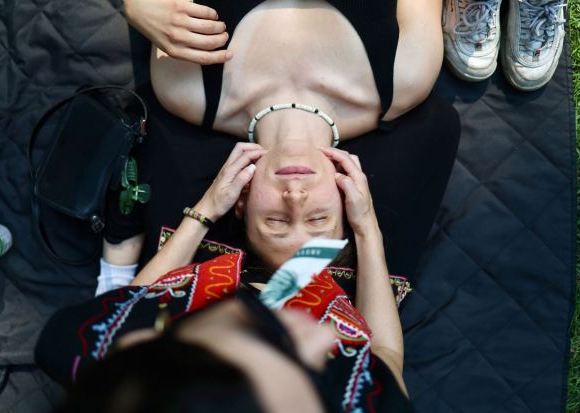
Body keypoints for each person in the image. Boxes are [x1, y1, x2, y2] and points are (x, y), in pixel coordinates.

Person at [98, 0, 460, 293]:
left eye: (275, 221)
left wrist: (140, 6)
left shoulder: (187, 91)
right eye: (318, 218)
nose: (295, 198)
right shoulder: (407, 78)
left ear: (241, 200)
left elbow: (121, 322)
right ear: (345, 196)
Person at [36, 145, 414, 412]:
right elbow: (384, 356)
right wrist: (367, 231)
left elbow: (137, 298)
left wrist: (206, 210)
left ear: (148, 337)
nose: (327, 335)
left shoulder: (84, 344)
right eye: (318, 377)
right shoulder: (370, 403)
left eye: (271, 335)